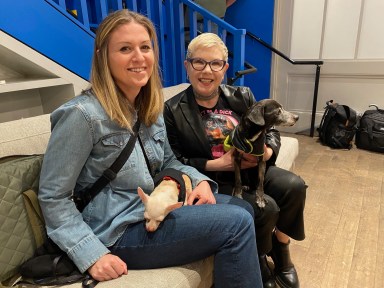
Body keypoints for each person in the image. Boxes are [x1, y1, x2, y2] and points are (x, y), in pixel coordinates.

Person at [38, 10, 263, 287]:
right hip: (117, 229)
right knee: (236, 222)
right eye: (124, 48)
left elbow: (168, 160)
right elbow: (53, 197)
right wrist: (91, 255)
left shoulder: (149, 109)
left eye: (145, 47)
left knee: (245, 208)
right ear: (102, 56)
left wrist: (200, 181)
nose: (139, 57)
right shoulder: (81, 116)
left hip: (156, 207)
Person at [164, 32, 307, 288]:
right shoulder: (173, 109)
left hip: (253, 169)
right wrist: (215, 165)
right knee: (267, 207)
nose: (207, 70)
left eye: (215, 63)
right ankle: (260, 257)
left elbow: (271, 130)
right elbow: (173, 158)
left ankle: (282, 251)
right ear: (187, 66)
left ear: (225, 68)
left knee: (294, 187)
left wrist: (268, 152)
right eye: (198, 62)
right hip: (215, 179)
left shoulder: (242, 96)